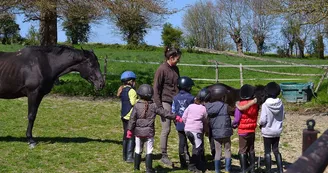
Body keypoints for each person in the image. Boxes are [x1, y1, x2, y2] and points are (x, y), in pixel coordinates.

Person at [126, 84, 183, 173]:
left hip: (138, 133)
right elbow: (164, 113)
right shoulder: (154, 106)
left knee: (137, 149)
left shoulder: (136, 106)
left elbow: (132, 119)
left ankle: (136, 169)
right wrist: (175, 117)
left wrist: (129, 130)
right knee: (149, 150)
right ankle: (149, 169)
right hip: (149, 133)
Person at [153, 46, 181, 166]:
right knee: (166, 128)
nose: (179, 60)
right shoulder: (162, 69)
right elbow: (156, 88)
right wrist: (159, 106)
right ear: (171, 57)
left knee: (180, 127)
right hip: (165, 101)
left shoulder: (176, 69)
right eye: (177, 58)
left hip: (175, 101)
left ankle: (183, 153)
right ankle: (164, 155)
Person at [205, 87, 233, 173]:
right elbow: (233, 112)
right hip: (226, 132)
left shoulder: (208, 107)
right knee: (227, 150)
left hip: (216, 133)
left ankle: (217, 170)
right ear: (222, 96)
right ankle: (227, 169)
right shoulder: (226, 106)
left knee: (218, 151)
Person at [232, 84, 258, 173]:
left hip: (243, 131)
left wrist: (234, 125)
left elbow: (236, 119)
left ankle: (243, 169)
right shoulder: (255, 105)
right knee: (251, 149)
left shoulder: (240, 105)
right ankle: (252, 169)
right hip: (252, 130)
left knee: (242, 150)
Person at [259, 82, 284, 173]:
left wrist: (260, 124)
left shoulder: (265, 105)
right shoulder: (281, 103)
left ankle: (268, 170)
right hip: (277, 130)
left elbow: (263, 120)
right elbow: (282, 116)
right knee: (276, 150)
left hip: (267, 131)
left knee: (267, 151)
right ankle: (280, 169)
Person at [183, 88, 210, 173]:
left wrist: (187, 125)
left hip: (187, 129)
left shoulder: (190, 106)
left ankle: (198, 163)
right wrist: (206, 131)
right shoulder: (203, 109)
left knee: (195, 146)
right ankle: (192, 166)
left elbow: (184, 117)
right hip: (196, 131)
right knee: (197, 148)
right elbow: (205, 121)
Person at [172, 76, 195, 168]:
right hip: (190, 124)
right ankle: (194, 161)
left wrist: (176, 120)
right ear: (188, 87)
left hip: (180, 123)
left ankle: (183, 162)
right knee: (194, 142)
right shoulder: (191, 98)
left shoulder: (175, 98)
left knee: (182, 142)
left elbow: (173, 111)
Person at [117, 71, 137, 163]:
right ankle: (129, 156)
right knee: (131, 136)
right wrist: (139, 100)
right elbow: (133, 102)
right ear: (130, 81)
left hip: (123, 115)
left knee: (125, 135)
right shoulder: (132, 91)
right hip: (130, 116)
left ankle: (124, 156)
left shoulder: (122, 89)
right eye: (134, 81)